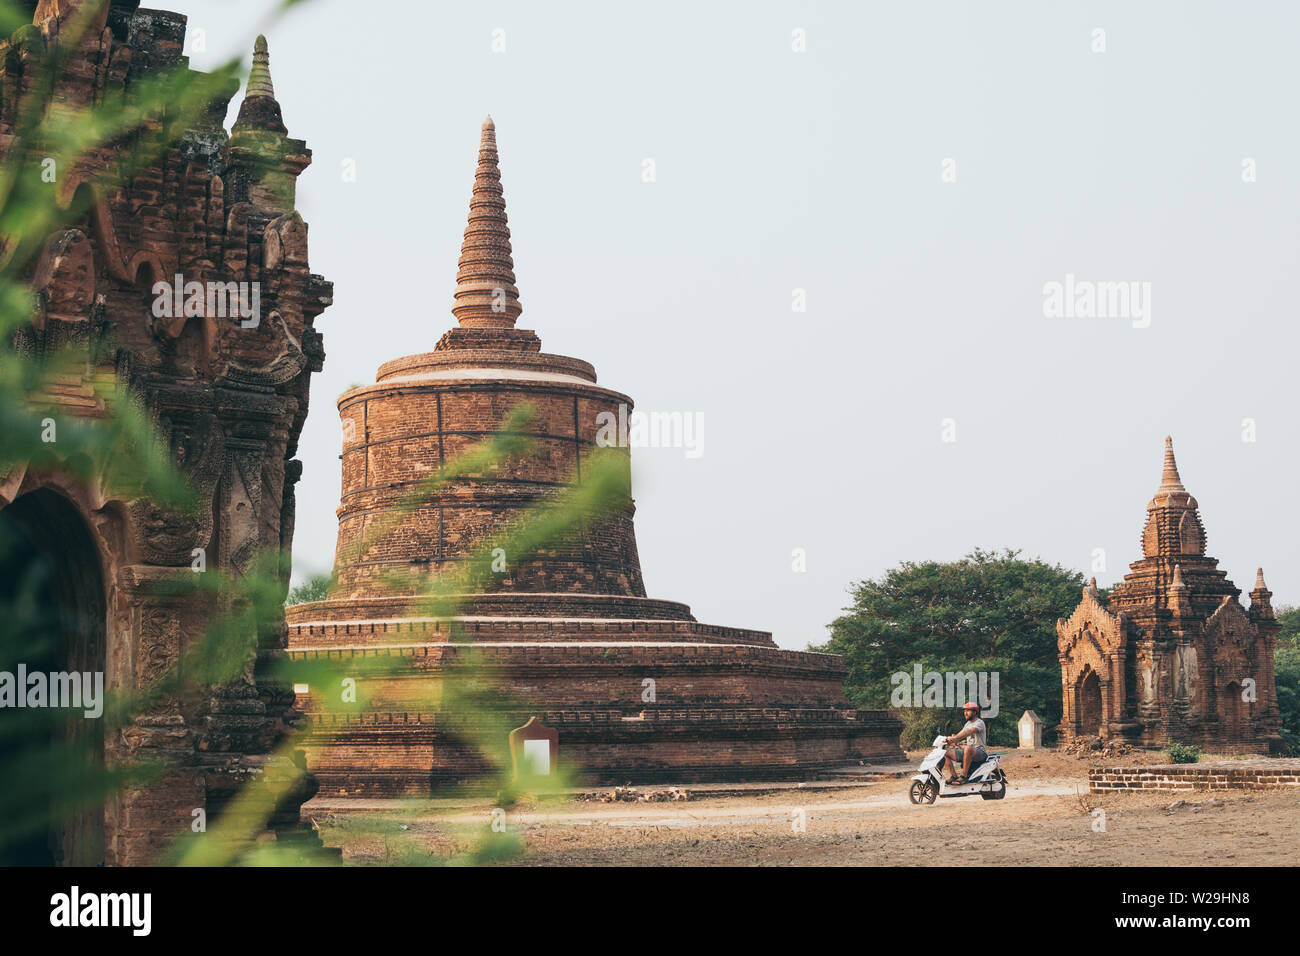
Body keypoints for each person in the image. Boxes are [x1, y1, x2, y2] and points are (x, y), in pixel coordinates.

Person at [943, 702, 987, 784]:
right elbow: (960, 735)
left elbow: (970, 731)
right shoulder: (967, 724)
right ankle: (954, 776)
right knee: (944, 752)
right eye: (964, 711)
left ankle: (964, 777)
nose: (965, 713)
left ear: (975, 712)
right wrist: (949, 740)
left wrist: (955, 737)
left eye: (968, 711)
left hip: (980, 752)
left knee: (967, 748)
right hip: (968, 751)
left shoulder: (979, 722)